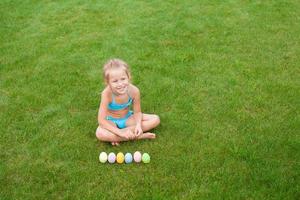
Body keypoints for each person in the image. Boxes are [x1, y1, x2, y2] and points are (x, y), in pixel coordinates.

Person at [96, 58, 160, 146]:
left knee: (155, 119)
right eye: (115, 81)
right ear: (108, 82)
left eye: (123, 79)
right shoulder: (106, 94)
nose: (120, 84)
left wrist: (138, 125)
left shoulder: (134, 91)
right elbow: (101, 120)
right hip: (111, 121)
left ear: (128, 77)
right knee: (99, 133)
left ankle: (116, 137)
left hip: (127, 119)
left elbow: (137, 112)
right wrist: (119, 132)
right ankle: (137, 136)